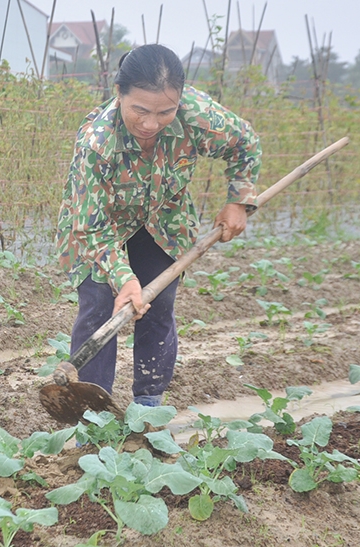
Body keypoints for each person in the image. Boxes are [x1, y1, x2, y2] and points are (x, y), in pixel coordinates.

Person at [56, 44, 261, 408]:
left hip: (164, 221)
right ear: (119, 94)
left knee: (159, 304)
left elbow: (245, 142)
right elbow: (91, 227)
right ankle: (92, 414)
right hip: (100, 228)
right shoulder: (98, 143)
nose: (151, 123)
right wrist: (125, 279)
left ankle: (147, 408)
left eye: (165, 111)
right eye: (140, 110)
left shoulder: (197, 116)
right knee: (101, 306)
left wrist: (238, 200)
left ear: (179, 100)